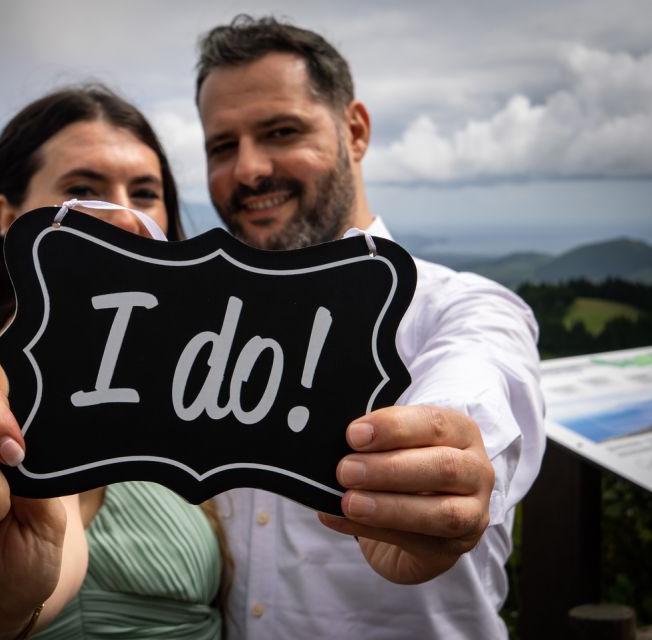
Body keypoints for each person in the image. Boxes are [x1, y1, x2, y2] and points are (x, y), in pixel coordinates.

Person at [194, 16, 545, 639]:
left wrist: (445, 459)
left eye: (281, 132)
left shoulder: (462, 307)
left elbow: (482, 380)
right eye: (223, 146)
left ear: (354, 131)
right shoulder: (210, 332)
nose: (247, 170)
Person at [0, 85, 229, 640]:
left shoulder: (125, 368)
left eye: (144, 192)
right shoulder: (34, 370)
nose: (122, 215)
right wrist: (6, 612)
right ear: (9, 216)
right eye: (82, 189)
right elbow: (51, 545)